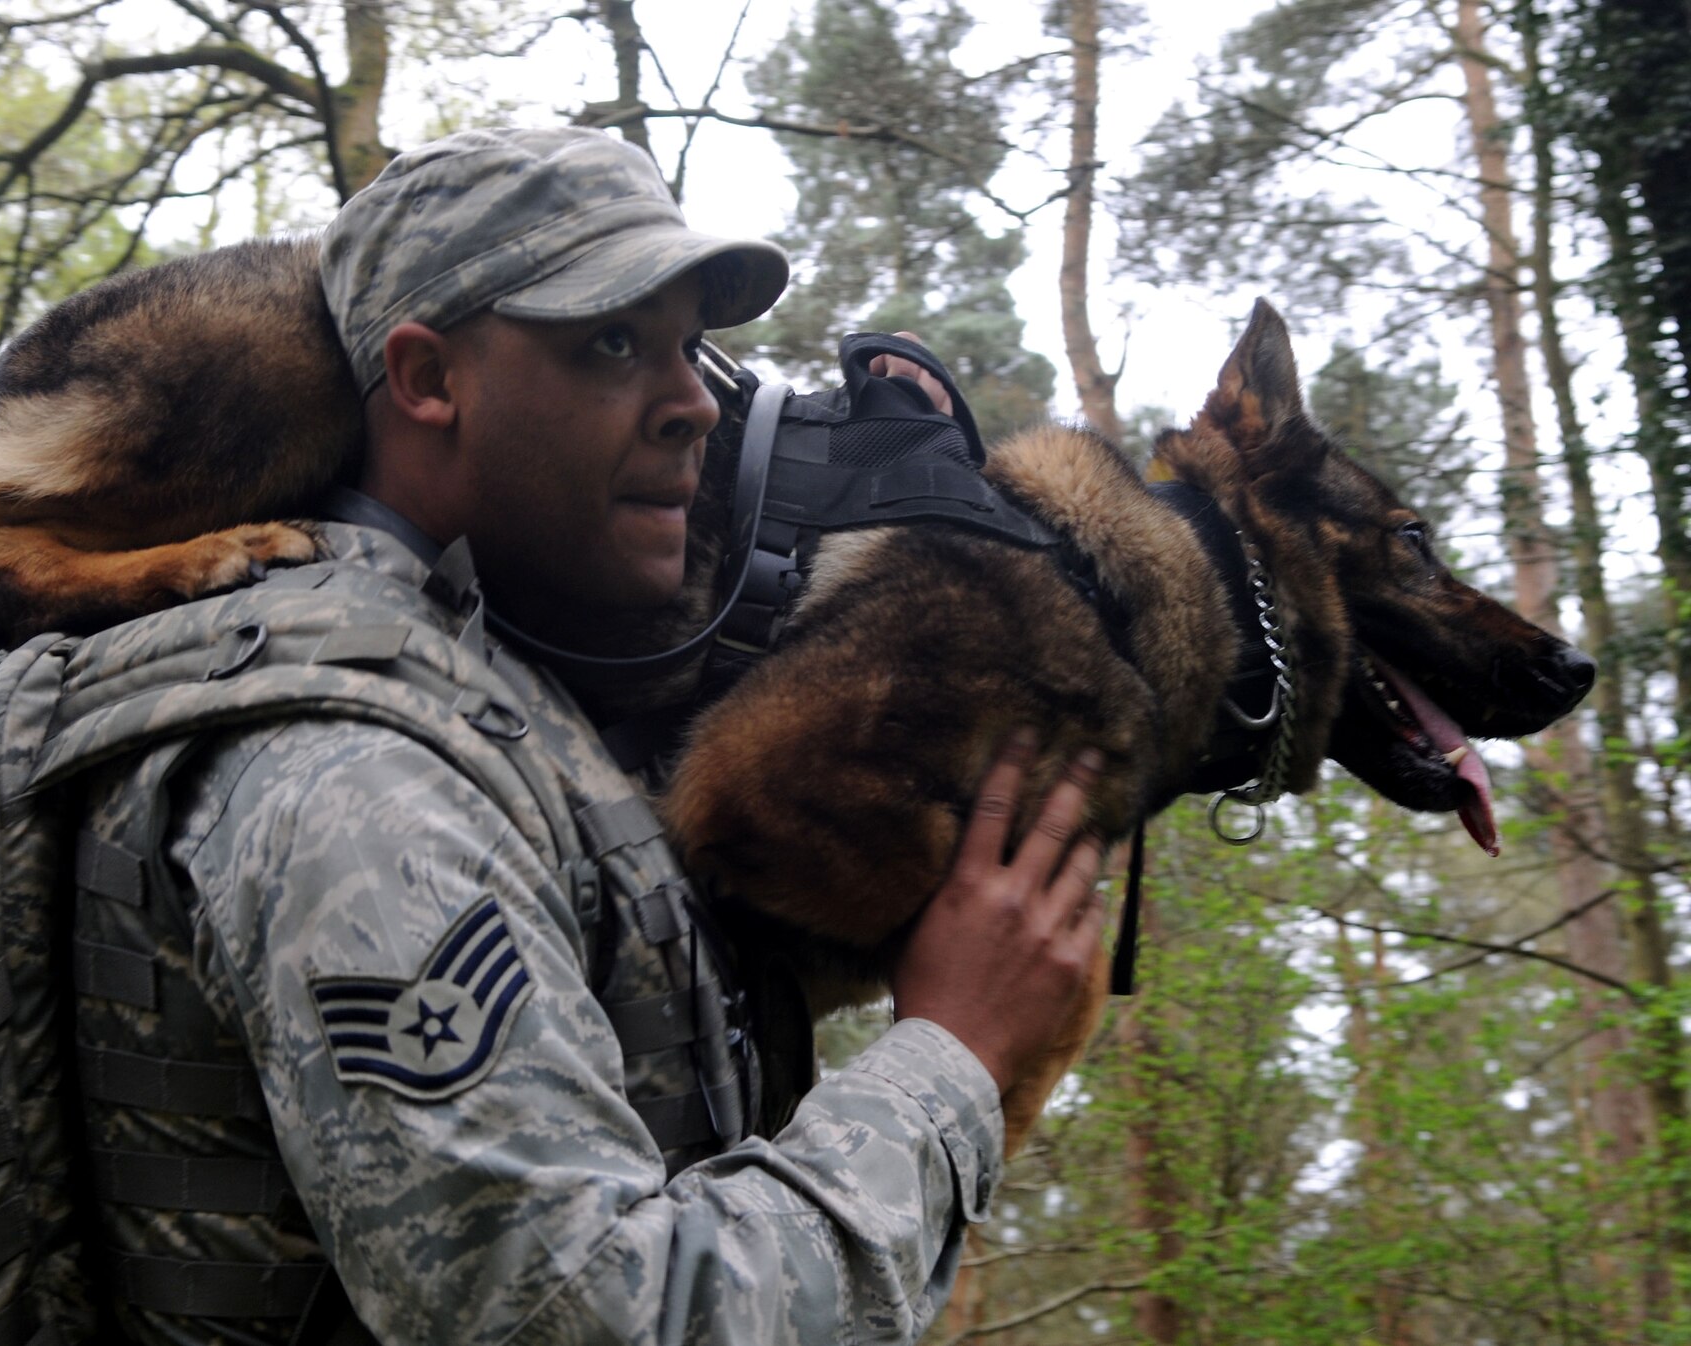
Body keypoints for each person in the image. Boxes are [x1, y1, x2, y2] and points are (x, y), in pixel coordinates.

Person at [69, 126, 1108, 1345]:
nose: (693, 405)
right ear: (427, 378)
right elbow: (591, 1316)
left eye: (690, 348)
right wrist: (951, 1055)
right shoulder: (357, 776)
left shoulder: (483, 703)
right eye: (612, 343)